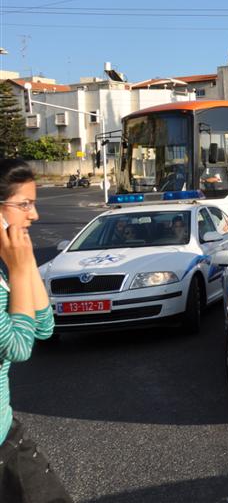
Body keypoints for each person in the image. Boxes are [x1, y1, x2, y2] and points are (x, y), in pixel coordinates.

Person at [0, 159, 72, 502]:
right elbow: (18, 346)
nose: (35, 215)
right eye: (23, 205)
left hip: (6, 433)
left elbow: (43, 326)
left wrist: (24, 261)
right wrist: (16, 270)